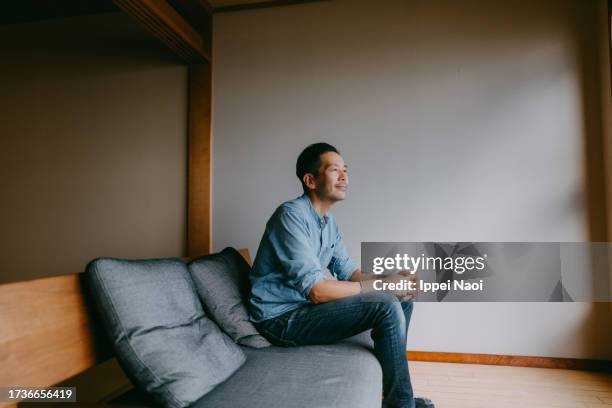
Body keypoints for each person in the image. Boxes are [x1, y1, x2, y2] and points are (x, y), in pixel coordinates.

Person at [249, 143, 434, 408]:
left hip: (303, 310)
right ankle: (402, 405)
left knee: (401, 298)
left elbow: (348, 271)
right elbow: (317, 290)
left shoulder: (329, 222)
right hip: (280, 319)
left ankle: (396, 396)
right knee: (385, 303)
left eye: (345, 170)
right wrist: (383, 286)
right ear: (311, 180)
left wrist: (390, 278)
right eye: (335, 170)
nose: (344, 177)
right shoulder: (290, 216)